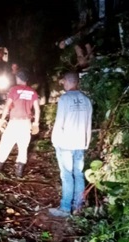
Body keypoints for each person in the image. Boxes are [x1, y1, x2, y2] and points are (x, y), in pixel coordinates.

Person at [49, 71, 92, 217]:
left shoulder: (64, 99)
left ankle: (65, 208)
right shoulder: (86, 100)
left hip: (66, 143)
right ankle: (78, 207)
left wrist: (55, 140)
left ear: (68, 82)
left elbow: (59, 122)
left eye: (64, 82)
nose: (64, 84)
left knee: (67, 175)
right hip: (80, 143)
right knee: (78, 174)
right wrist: (86, 142)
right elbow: (89, 123)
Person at [0, 70, 40, 178]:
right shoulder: (32, 92)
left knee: (5, 146)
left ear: (18, 78)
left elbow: (7, 106)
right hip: (26, 123)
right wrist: (36, 124)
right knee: (23, 148)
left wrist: (2, 120)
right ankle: (18, 174)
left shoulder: (14, 89)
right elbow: (37, 110)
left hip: (14, 123)